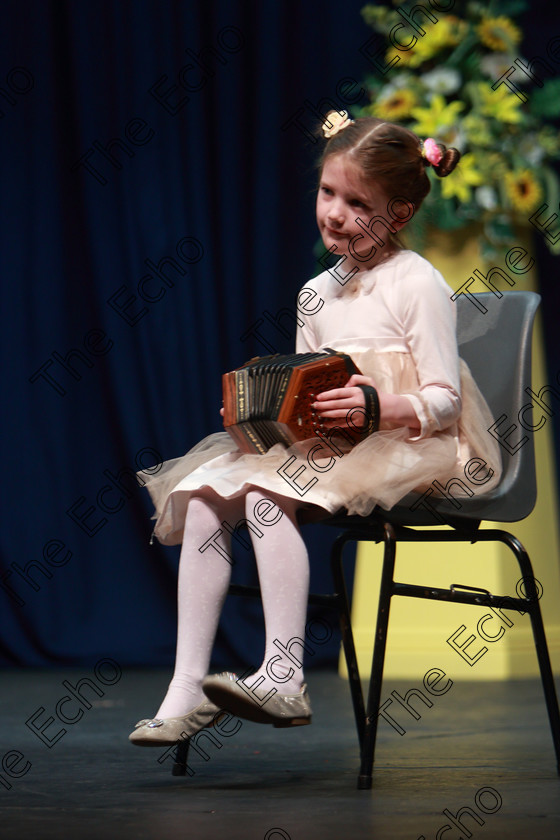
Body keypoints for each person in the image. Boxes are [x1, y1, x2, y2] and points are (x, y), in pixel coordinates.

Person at [129, 112, 502, 747]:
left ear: (400, 215)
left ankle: (284, 677)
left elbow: (442, 399)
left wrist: (378, 407)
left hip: (412, 445)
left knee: (267, 498)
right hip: (335, 450)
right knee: (200, 502)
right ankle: (186, 689)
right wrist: (264, 425)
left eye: (358, 204)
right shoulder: (315, 294)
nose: (335, 213)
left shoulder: (417, 283)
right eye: (328, 193)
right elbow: (308, 393)